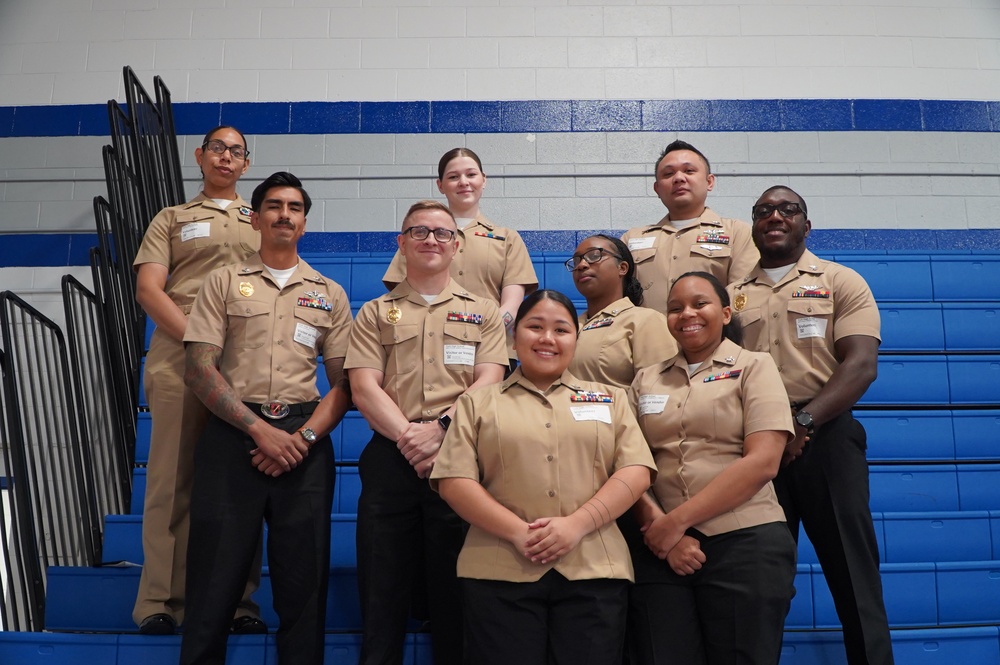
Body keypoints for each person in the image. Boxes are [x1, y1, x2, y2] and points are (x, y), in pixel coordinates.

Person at [179, 172, 353, 665]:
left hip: (304, 441)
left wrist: (301, 438)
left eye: (294, 207)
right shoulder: (222, 281)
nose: (284, 214)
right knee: (214, 577)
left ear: (304, 221)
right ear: (255, 218)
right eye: (274, 205)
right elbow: (198, 368)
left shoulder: (330, 293)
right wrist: (259, 431)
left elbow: (345, 384)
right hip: (235, 435)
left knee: (304, 582)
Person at [431, 289, 656, 665]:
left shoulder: (609, 399)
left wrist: (577, 525)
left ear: (576, 340)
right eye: (535, 327)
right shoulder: (477, 402)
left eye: (561, 330)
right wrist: (519, 533)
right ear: (514, 336)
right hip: (498, 570)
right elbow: (455, 481)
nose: (547, 338)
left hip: (594, 571)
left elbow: (635, 472)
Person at [730, 186, 892, 665]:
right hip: (755, 446)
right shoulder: (733, 296)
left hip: (826, 438)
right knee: (761, 582)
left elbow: (861, 365)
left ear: (806, 224)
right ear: (753, 226)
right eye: (763, 211)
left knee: (853, 577)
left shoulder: (842, 280)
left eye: (787, 209)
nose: (774, 216)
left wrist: (804, 420)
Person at [346, 200, 508, 665]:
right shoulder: (375, 312)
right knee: (381, 589)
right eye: (419, 232)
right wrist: (410, 439)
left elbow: (490, 380)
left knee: (455, 591)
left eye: (441, 233)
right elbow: (363, 387)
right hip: (390, 457)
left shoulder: (484, 312)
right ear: (402, 243)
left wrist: (439, 429)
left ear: (457, 245)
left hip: (459, 459)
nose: (431, 240)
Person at [131, 125, 264, 635]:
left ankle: (237, 604)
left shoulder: (261, 218)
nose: (226, 157)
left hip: (247, 363)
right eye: (217, 148)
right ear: (200, 156)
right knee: (172, 480)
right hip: (181, 359)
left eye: (236, 151)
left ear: (246, 164)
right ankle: (161, 603)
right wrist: (199, 342)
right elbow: (149, 289)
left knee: (239, 486)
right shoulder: (172, 218)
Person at [629, 271, 797, 665]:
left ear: (725, 313)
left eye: (699, 303)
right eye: (674, 308)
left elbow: (763, 462)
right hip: (662, 552)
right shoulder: (645, 380)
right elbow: (630, 466)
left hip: (745, 541)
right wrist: (664, 533)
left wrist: (675, 524)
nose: (686, 313)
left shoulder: (756, 366)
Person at [382, 147, 538, 366]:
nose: (463, 182)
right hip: (427, 354)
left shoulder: (507, 238)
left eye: (471, 175)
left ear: (484, 180)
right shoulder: (419, 236)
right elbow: (403, 299)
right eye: (453, 177)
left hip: (492, 353)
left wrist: (481, 334)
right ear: (440, 185)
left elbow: (511, 306)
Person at [620, 139, 758, 315]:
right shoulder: (632, 239)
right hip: (649, 341)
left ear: (709, 182)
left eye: (689, 171)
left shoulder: (737, 233)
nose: (678, 178)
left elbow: (743, 299)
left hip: (714, 340)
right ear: (657, 189)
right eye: (668, 174)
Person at [566, 234, 676, 389]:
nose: (582, 265)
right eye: (577, 260)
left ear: (622, 268)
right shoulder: (570, 327)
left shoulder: (645, 321)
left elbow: (661, 392)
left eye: (594, 256)